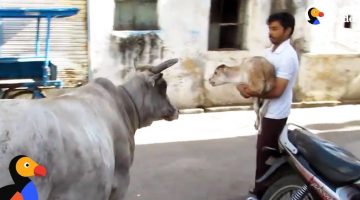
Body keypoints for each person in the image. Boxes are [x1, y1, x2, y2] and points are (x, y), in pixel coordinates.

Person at [237, 12, 299, 200]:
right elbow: (255, 78)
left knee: (265, 155)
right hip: (265, 111)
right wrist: (244, 87)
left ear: (288, 31)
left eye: (275, 29)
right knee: (266, 152)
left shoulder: (288, 56)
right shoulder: (269, 52)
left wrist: (252, 92)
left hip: (276, 113)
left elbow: (277, 91)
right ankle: (271, 187)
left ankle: (259, 194)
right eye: (269, 29)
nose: (270, 33)